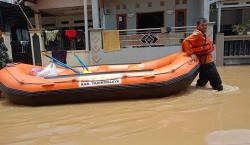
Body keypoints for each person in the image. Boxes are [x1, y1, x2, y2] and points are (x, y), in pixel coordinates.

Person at [182, 18, 223, 91]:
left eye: (206, 25)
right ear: (198, 26)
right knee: (218, 86)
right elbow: (185, 41)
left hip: (203, 63)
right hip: (208, 63)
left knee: (201, 83)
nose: (205, 27)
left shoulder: (201, 34)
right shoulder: (197, 34)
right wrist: (192, 54)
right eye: (203, 25)